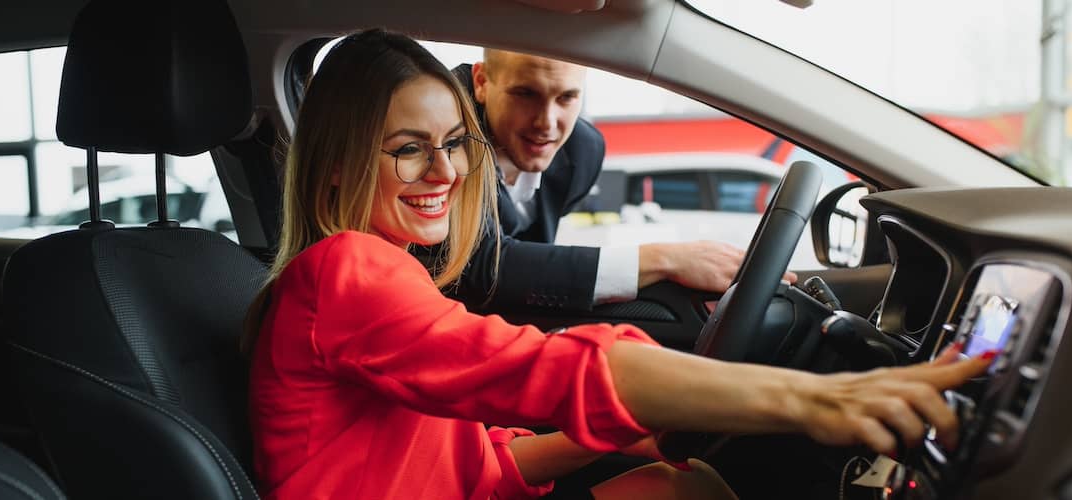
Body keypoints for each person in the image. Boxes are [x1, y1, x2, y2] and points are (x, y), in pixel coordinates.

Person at [246, 28, 993, 500]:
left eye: (454, 143)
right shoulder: (343, 273)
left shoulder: (389, 274)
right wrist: (817, 400)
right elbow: (543, 369)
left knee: (679, 485)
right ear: (339, 166)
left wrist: (642, 425)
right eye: (408, 147)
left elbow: (482, 468)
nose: (444, 171)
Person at [418, 49, 795, 311]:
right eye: (525, 94)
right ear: (482, 83)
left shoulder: (582, 151)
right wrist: (662, 259)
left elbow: (529, 263)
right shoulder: (443, 134)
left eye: (566, 98)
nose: (546, 124)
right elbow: (477, 266)